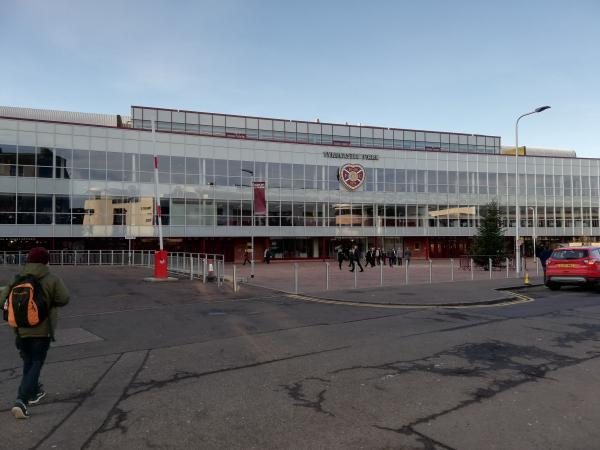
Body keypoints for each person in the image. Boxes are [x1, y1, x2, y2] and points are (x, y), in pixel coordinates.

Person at [1, 247, 70, 419]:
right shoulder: (52, 279)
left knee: (28, 362)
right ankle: (21, 400)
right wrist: (47, 302)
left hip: (20, 331)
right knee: (36, 363)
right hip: (42, 330)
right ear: (46, 261)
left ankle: (32, 393)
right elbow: (64, 298)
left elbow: (2, 299)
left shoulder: (17, 278)